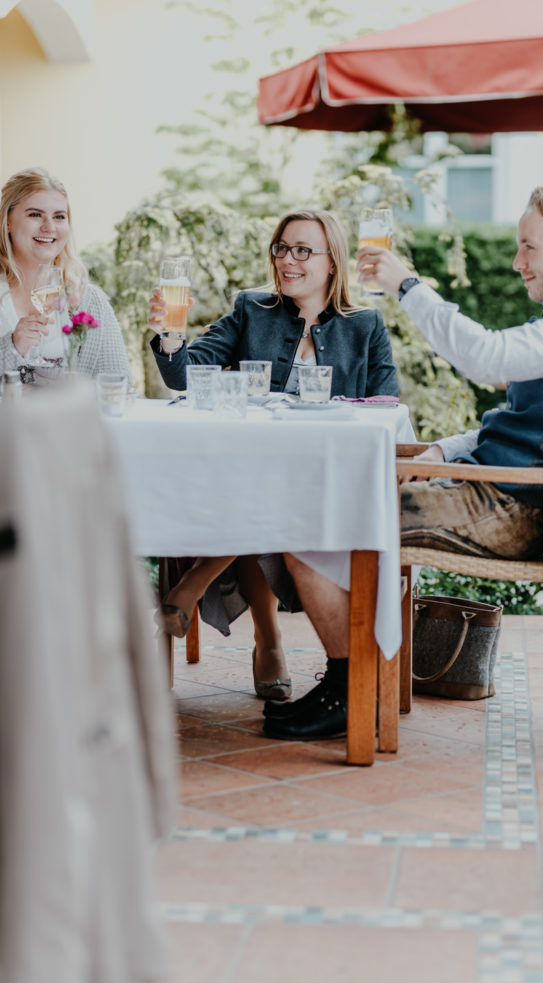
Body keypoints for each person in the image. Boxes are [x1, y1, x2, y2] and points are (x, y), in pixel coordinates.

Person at [262, 185, 543, 740]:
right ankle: (358, 681)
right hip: (492, 496)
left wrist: (407, 286)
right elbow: (526, 421)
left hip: (504, 508)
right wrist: (446, 449)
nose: (518, 262)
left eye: (529, 247)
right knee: (322, 510)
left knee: (307, 519)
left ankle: (349, 689)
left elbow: (485, 358)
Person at [148, 208, 399, 701]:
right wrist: (171, 335)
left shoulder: (365, 325)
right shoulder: (252, 309)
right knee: (260, 484)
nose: (287, 260)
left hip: (329, 475)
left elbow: (385, 406)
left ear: (333, 262)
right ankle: (268, 636)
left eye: (303, 250)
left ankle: (199, 582)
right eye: (282, 248)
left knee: (269, 490)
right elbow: (185, 376)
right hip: (251, 470)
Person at [0, 167, 131, 380]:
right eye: (35, 215)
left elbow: (120, 387)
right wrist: (12, 347)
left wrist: (48, 391)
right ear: (7, 222)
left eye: (59, 217)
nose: (49, 227)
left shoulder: (90, 302)